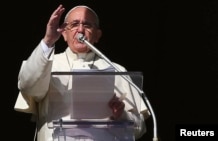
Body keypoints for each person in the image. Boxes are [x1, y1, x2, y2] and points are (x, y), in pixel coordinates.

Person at [14, 4, 150, 141]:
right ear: (64, 34)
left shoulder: (117, 71)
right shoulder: (48, 63)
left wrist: (121, 115)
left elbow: (139, 128)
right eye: (74, 24)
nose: (80, 30)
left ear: (97, 35)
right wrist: (48, 41)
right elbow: (27, 86)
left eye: (87, 25)